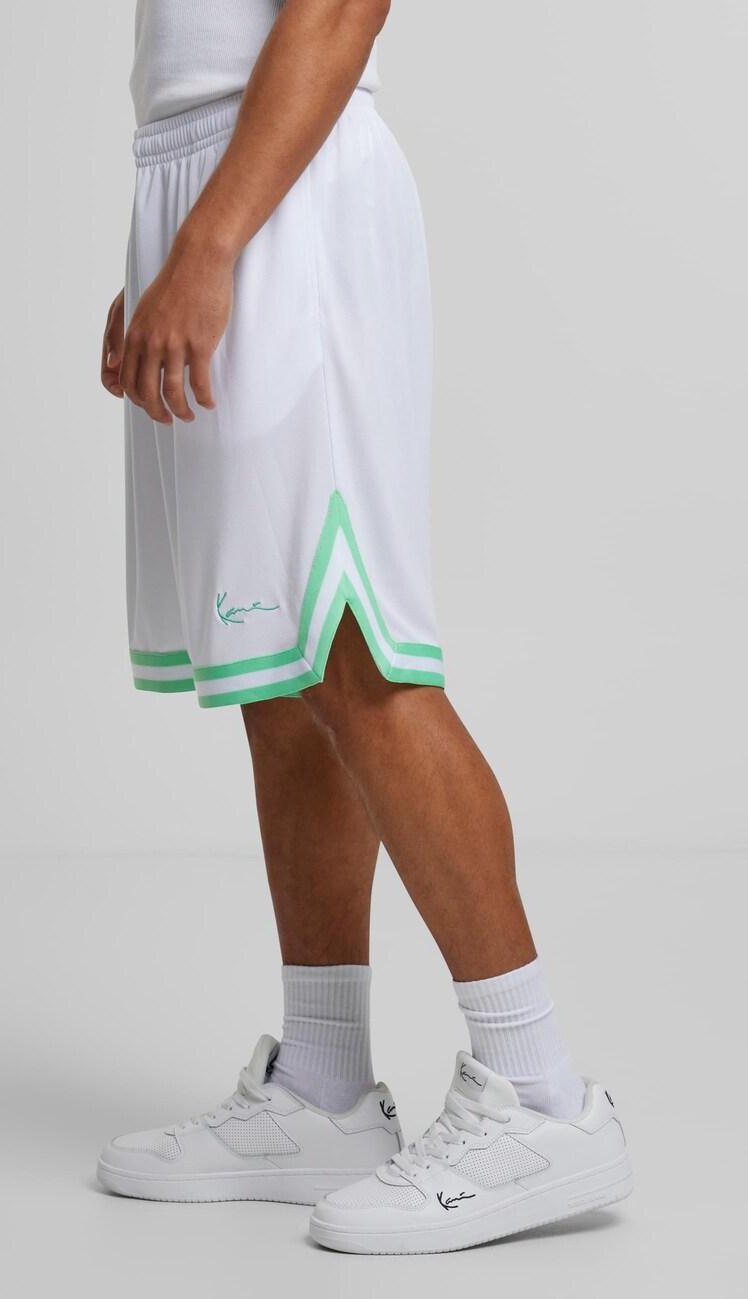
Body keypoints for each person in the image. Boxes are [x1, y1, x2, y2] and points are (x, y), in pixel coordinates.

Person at [97, 0, 631, 1253]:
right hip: (220, 171)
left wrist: (208, 244)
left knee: (357, 650)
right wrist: (171, 248)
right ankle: (324, 1089)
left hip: (287, 196)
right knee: (282, 669)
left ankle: (541, 1094)